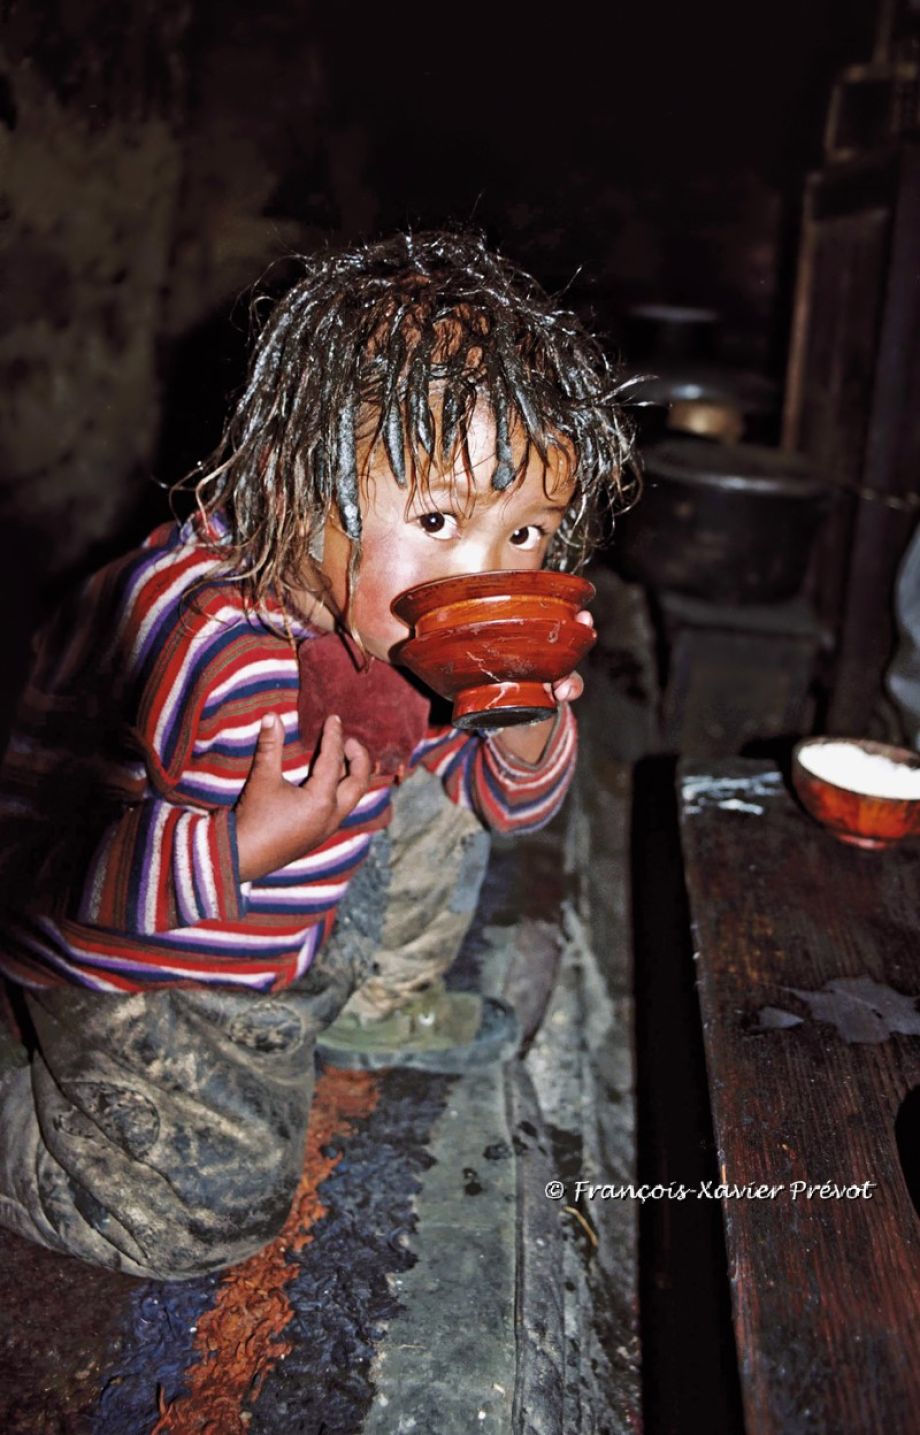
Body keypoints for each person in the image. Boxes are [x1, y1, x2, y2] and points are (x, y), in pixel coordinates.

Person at [0, 231, 634, 1279]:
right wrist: (237, 848)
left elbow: (502, 802)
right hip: (137, 954)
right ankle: (36, 1098)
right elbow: (68, 873)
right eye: (439, 518)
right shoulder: (207, 649)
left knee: (439, 795)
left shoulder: (397, 611)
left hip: (300, 881)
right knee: (204, 1212)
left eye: (527, 535)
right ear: (292, 491)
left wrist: (520, 725)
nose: (486, 573)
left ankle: (367, 1003)